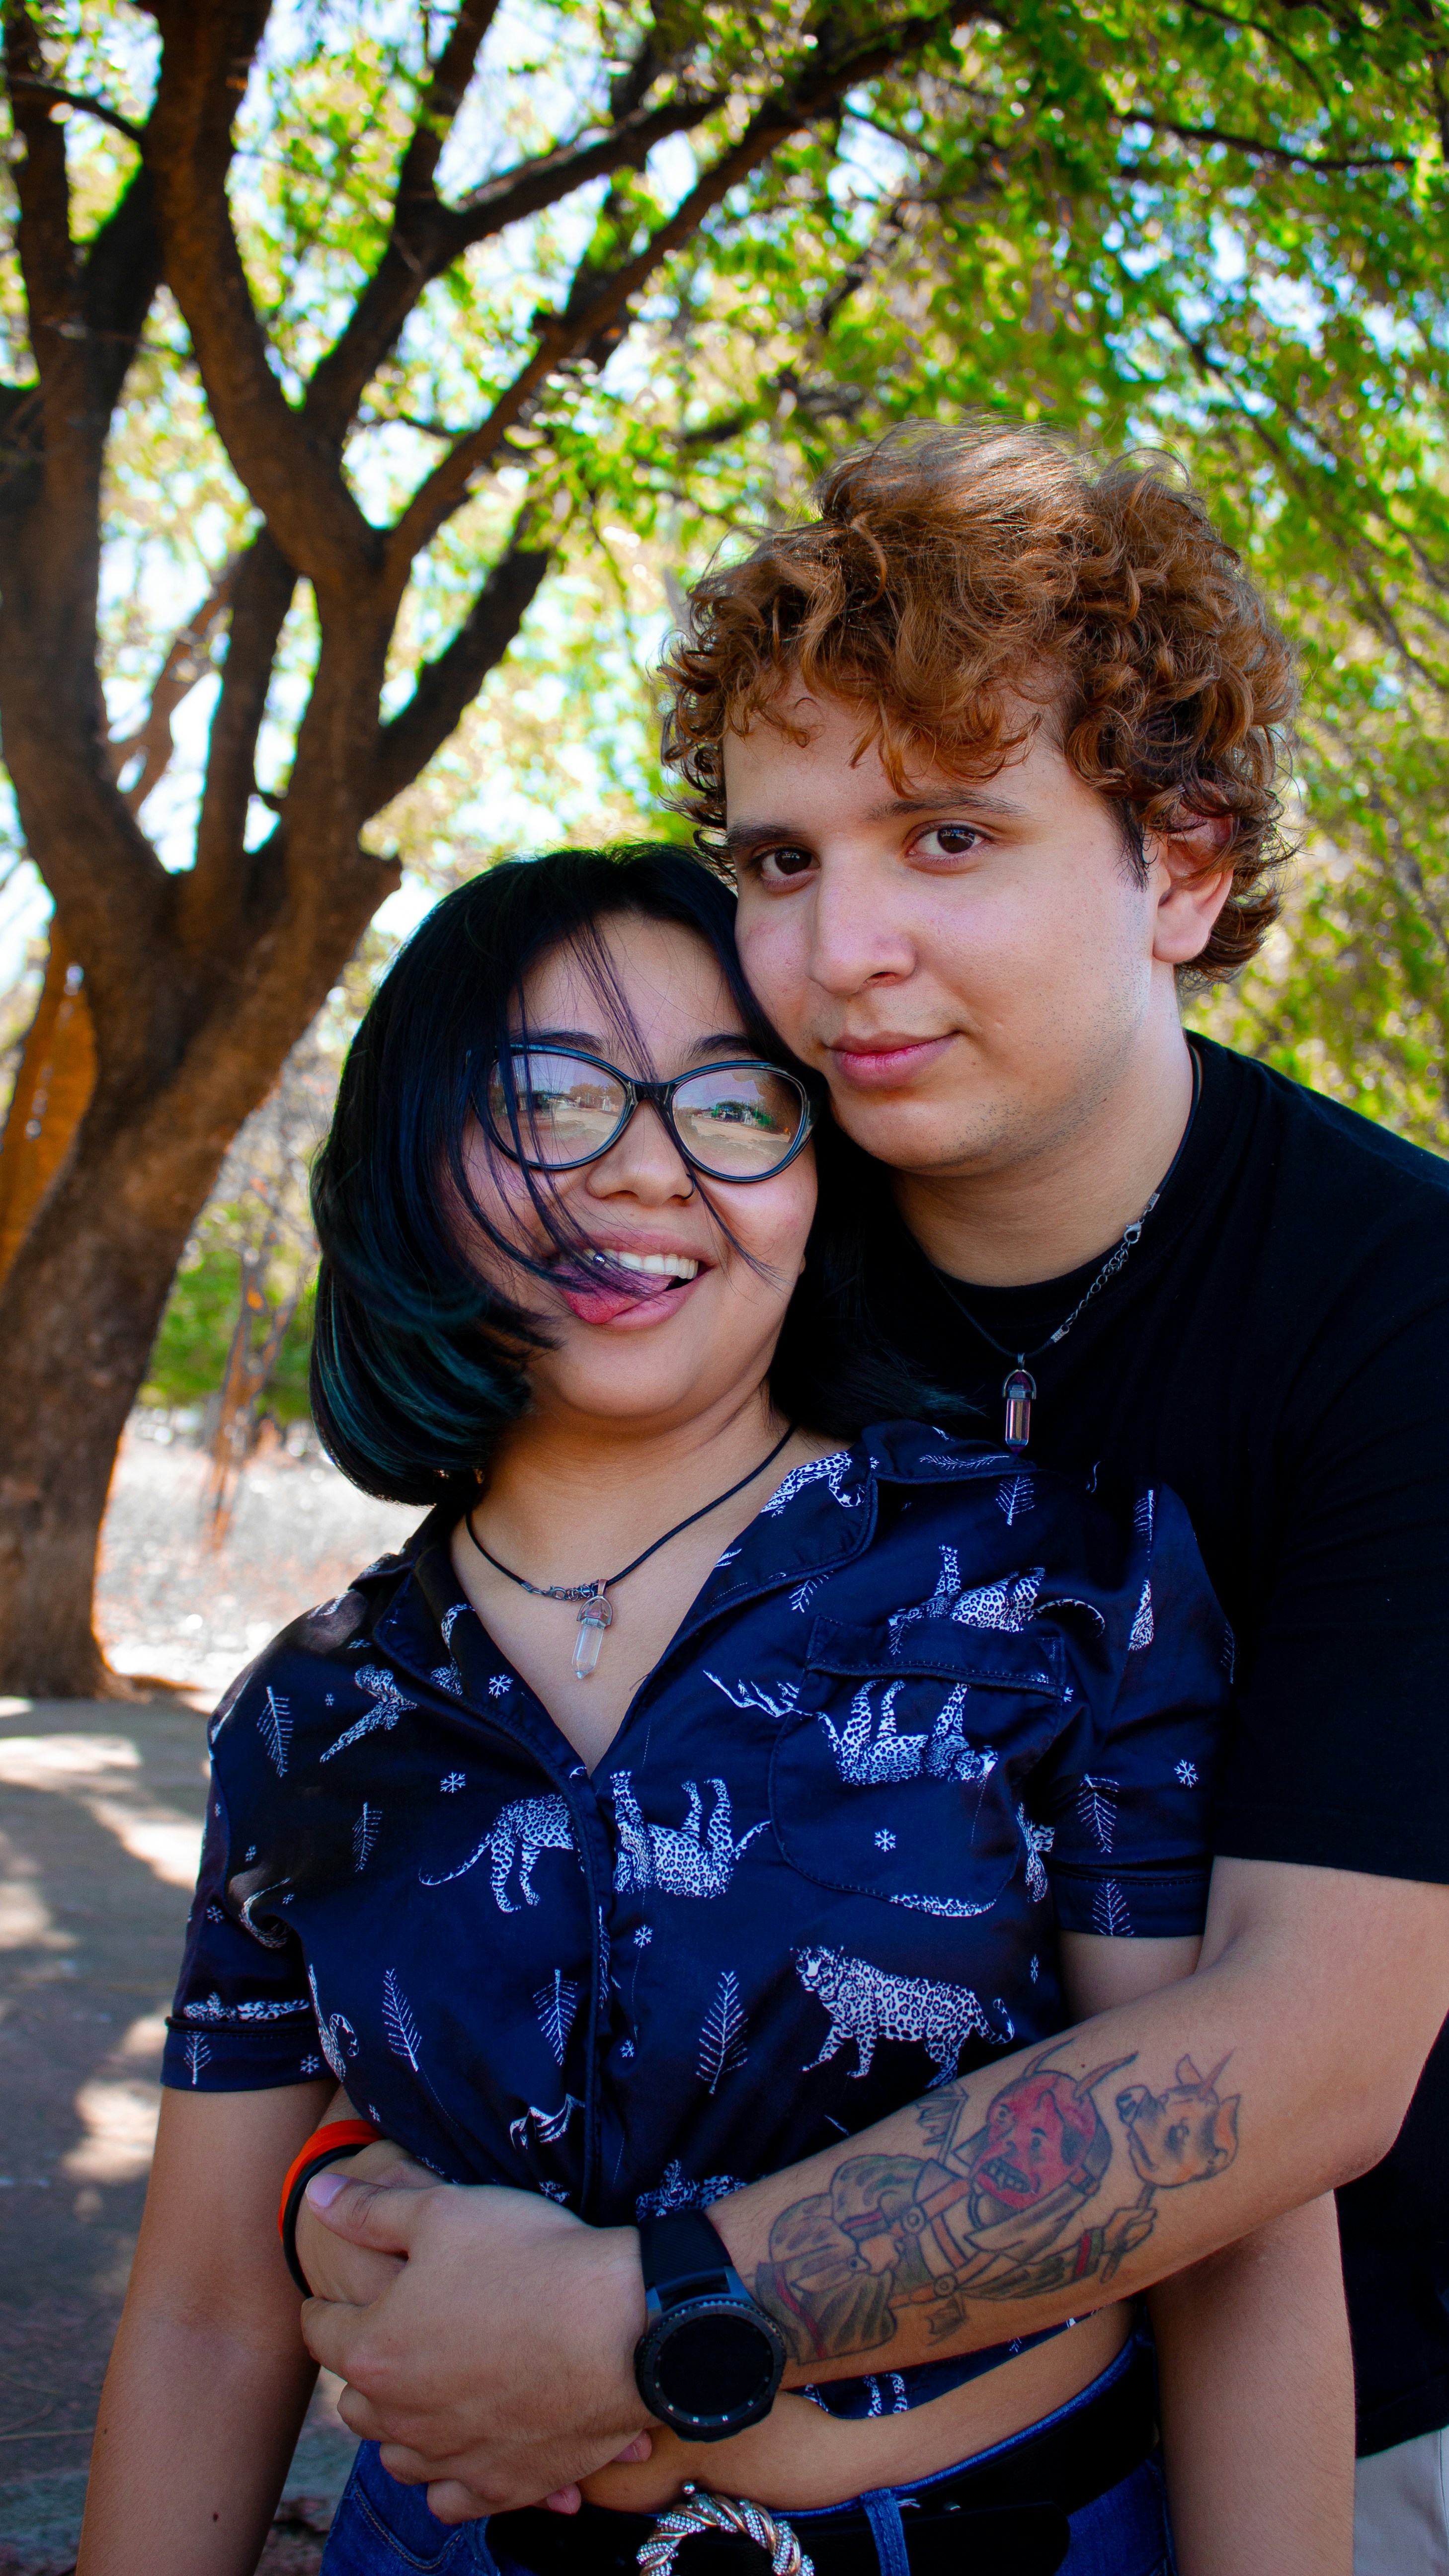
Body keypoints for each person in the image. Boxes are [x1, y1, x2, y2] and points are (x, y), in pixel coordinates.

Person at [280, 435, 1449, 2573]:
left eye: (952, 832)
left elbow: (1312, 2053)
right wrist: (353, 2203)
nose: (844, 949)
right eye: (784, 857)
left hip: (1340, 2407)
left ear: (1181, 868)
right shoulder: (728, 1229)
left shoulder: (1400, 1314)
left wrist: (649, 2321)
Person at [80, 845, 1348, 2576]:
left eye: (737, 1102)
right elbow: (212, 2316)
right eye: (549, 1098)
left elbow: (1234, 2224)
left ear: (813, 1176)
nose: (648, 1171)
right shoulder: (309, 1714)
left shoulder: (1061, 1584)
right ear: (408, 1152)